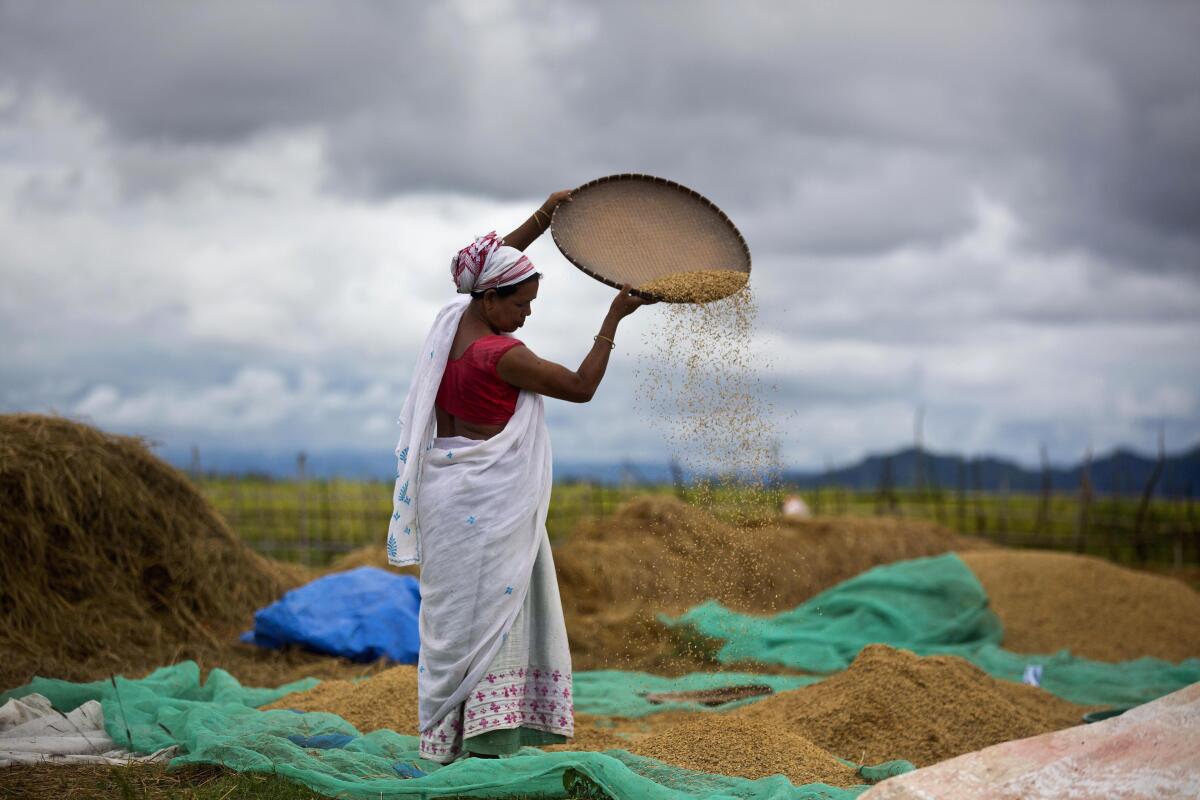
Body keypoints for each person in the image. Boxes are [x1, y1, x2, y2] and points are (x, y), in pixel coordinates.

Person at [387, 190, 651, 762]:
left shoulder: (454, 322)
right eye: (522, 304)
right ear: (491, 298)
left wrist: (544, 215)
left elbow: (491, 259)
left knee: (460, 619)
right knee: (493, 617)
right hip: (488, 500)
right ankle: (486, 743)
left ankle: (451, 738)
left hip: (448, 491)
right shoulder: (502, 356)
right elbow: (581, 388)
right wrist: (614, 317)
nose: (527, 314)